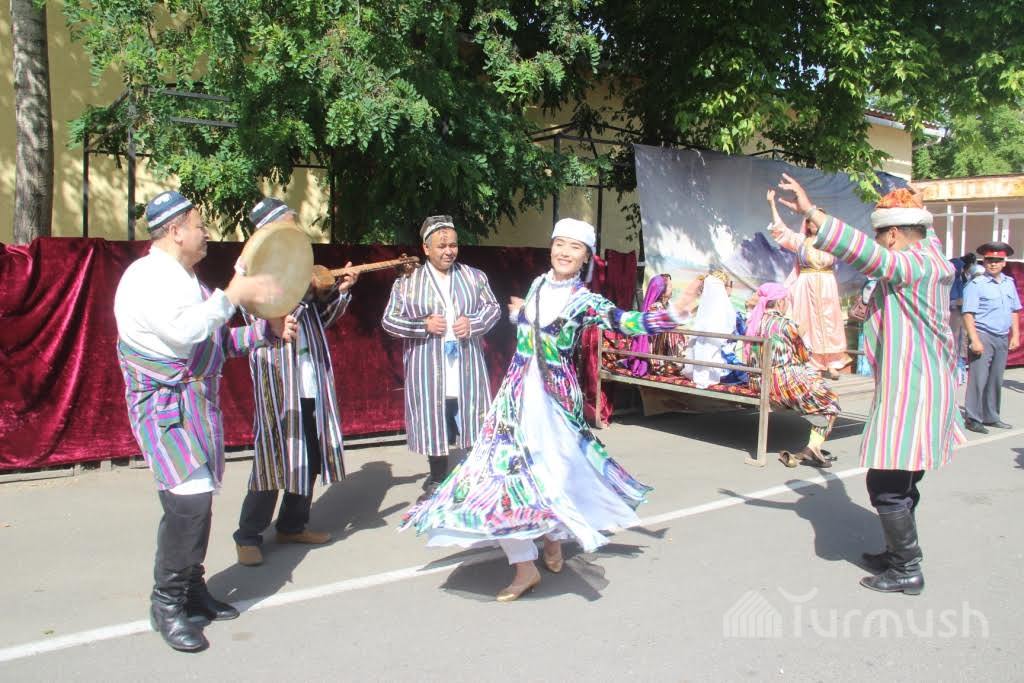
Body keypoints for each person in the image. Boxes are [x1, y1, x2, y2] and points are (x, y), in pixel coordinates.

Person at [400, 218, 695, 602]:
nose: (564, 252)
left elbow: (625, 322)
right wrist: (521, 313)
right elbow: (534, 327)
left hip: (555, 406)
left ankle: (552, 536)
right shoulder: (538, 285)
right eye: (560, 244)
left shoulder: (586, 300)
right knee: (498, 478)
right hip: (515, 400)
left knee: (550, 478)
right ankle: (525, 566)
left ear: (586, 257)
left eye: (575, 247)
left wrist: (673, 314)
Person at [114, 191, 294, 651]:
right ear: (175, 231)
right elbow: (186, 332)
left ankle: (192, 590)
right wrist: (234, 294)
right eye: (199, 225)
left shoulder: (184, 279)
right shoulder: (147, 277)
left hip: (194, 406)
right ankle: (166, 604)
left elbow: (214, 343)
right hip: (164, 410)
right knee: (188, 503)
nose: (206, 233)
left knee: (198, 501)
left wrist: (265, 330)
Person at [777, 175, 965, 596]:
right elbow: (921, 232)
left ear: (893, 235)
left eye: (881, 235)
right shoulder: (934, 255)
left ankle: (907, 568)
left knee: (886, 486)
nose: (878, 242)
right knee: (902, 483)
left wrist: (811, 213)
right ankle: (897, 552)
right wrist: (917, 205)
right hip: (925, 387)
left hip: (912, 392)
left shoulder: (911, 265)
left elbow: (865, 253)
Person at [232, 198, 359, 567]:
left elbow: (320, 320)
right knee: (274, 455)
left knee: (312, 451)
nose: (296, 230)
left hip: (309, 375)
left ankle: (292, 524)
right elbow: (269, 317)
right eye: (288, 223)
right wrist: (307, 290)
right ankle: (247, 534)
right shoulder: (250, 274)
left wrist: (339, 290)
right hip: (278, 377)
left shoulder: (298, 269)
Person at [382, 215, 501, 496]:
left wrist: (473, 324)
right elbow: (389, 321)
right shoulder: (407, 282)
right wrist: (422, 326)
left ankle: (474, 478)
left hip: (466, 364)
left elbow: (493, 309)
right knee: (433, 420)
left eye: (453, 245)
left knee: (472, 418)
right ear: (426, 248)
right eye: (442, 246)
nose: (449, 251)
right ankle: (437, 478)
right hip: (427, 365)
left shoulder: (474, 276)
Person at [745, 283, 841, 468]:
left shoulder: (754, 322)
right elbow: (804, 355)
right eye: (786, 300)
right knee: (830, 401)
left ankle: (811, 444)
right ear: (780, 302)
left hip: (758, 382)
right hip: (784, 384)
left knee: (815, 388)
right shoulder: (786, 324)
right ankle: (813, 447)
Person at [766, 190, 851, 379]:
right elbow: (781, 230)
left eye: (816, 221)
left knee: (829, 322)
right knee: (808, 322)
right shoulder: (801, 241)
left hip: (827, 285)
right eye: (810, 221)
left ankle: (831, 363)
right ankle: (810, 361)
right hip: (806, 285)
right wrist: (772, 204)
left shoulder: (831, 243)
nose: (813, 224)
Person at [961, 242, 1021, 433]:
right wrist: (974, 339)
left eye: (997, 260)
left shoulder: (1008, 283)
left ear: (1004, 262)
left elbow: (1014, 310)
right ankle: (973, 418)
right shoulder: (976, 285)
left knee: (996, 378)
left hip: (1002, 336)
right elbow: (968, 314)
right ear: (984, 262)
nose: (993, 263)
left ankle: (991, 416)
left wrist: (1016, 335)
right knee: (978, 379)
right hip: (983, 335)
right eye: (989, 260)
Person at [682, 271, 738, 388]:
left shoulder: (708, 301)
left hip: (708, 340)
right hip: (715, 341)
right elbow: (730, 324)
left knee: (705, 355)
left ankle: (701, 377)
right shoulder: (723, 303)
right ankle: (705, 378)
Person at [627, 274, 687, 377]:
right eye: (670, 286)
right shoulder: (655, 308)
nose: (672, 288)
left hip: (662, 349)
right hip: (656, 353)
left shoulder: (666, 305)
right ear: (662, 291)